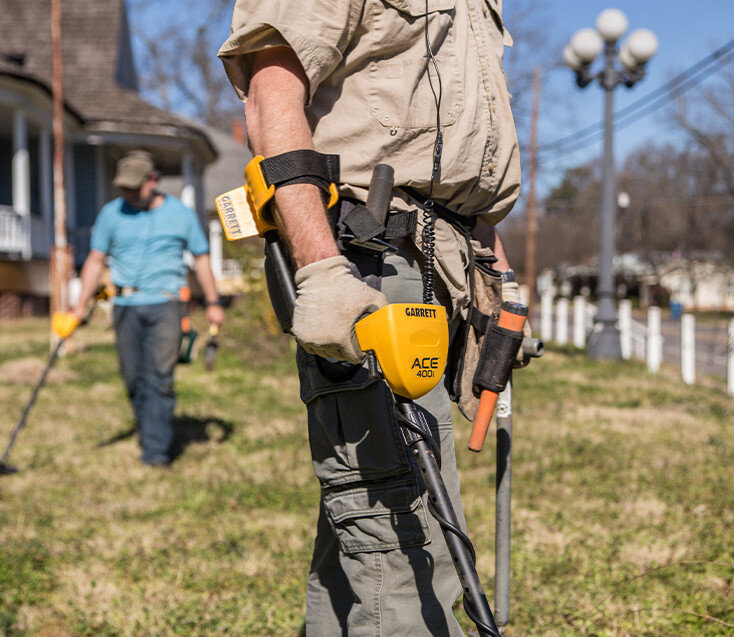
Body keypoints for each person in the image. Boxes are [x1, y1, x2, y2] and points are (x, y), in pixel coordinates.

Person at [219, 1, 522, 633]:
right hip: (369, 261)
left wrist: (496, 283)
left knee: (370, 512)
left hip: (447, 264)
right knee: (403, 531)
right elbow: (271, 93)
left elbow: (465, 165)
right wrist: (323, 270)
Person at [68, 150, 225, 467]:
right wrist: (78, 307)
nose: (127, 193)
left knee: (159, 378)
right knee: (133, 380)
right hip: (125, 306)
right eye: (122, 187)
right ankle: (149, 428)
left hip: (165, 304)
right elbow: (95, 261)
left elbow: (202, 258)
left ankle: (155, 452)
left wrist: (213, 302)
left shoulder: (180, 214)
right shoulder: (111, 215)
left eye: (133, 187)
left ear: (152, 181)